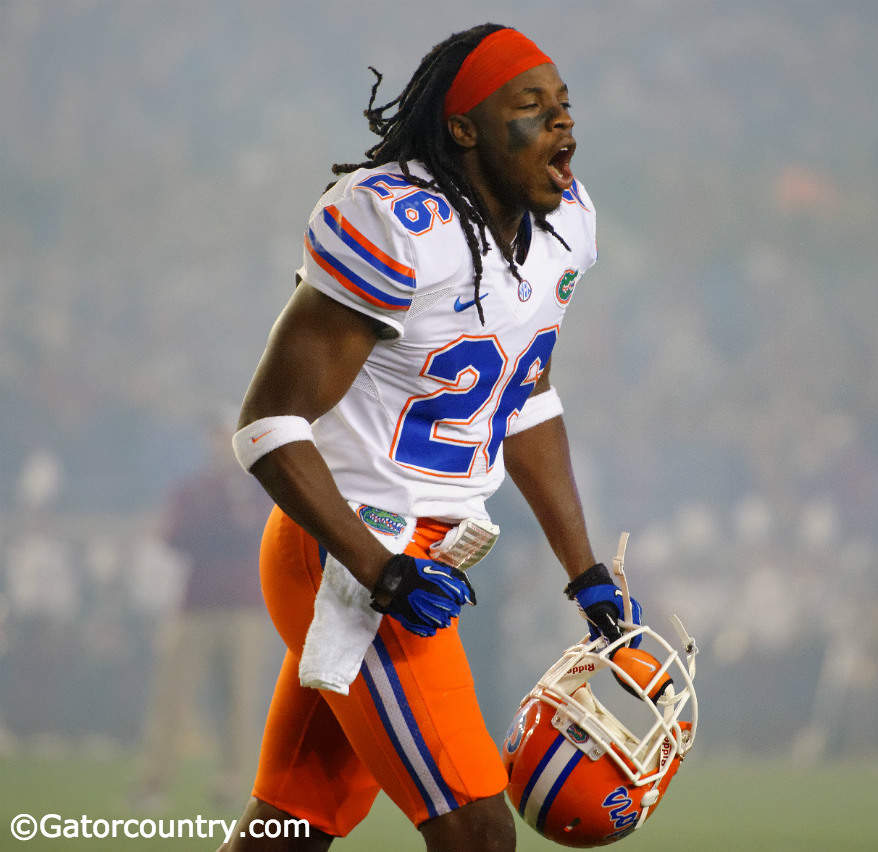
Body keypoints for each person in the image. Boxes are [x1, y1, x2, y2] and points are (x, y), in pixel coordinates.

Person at [221, 24, 640, 852]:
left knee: (286, 835)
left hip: (428, 550)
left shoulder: (566, 223)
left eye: (565, 107)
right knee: (479, 832)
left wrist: (584, 570)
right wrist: (377, 568)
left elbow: (523, 401)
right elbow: (268, 427)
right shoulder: (395, 224)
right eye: (531, 107)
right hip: (351, 543)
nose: (563, 126)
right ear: (463, 129)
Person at [136, 420, 276, 809]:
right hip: (196, 605)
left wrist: (222, 527)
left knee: (241, 701)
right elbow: (171, 535)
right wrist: (225, 524)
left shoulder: (257, 487)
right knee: (173, 697)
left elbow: (264, 534)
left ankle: (234, 787)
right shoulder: (194, 489)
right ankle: (154, 783)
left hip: (244, 609)